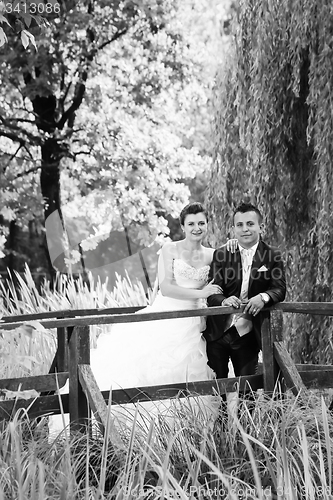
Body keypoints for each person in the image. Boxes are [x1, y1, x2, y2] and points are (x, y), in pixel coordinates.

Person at [87, 202, 223, 428]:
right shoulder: (171, 249)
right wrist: (201, 292)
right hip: (167, 314)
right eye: (191, 224)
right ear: (183, 226)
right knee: (153, 366)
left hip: (195, 320)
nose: (197, 228)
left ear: (207, 225)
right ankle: (136, 427)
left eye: (201, 223)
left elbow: (223, 284)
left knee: (191, 369)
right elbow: (166, 287)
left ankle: (187, 431)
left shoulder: (213, 255)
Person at [203, 202, 286, 381]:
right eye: (239, 225)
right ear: (233, 229)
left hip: (249, 334)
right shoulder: (222, 254)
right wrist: (224, 301)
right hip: (218, 332)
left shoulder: (273, 255)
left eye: (250, 224)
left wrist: (263, 298)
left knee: (247, 391)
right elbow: (212, 292)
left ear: (260, 226)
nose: (245, 229)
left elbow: (279, 289)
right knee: (218, 390)